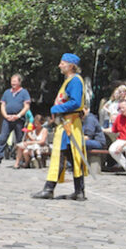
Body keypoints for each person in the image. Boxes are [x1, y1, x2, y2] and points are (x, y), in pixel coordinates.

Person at [32, 53, 88, 201]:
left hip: (69, 124)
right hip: (66, 123)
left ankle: (49, 189)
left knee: (59, 156)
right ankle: (79, 191)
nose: (60, 65)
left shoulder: (75, 81)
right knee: (72, 156)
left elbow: (76, 102)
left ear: (71, 65)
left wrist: (56, 109)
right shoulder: (69, 81)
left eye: (62, 63)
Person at [0, 74, 31, 166]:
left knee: (19, 140)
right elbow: (2, 105)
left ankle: (19, 160)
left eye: (15, 81)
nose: (13, 83)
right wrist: (5, 115)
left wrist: (18, 115)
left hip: (19, 119)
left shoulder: (24, 92)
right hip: (7, 118)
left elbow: (26, 107)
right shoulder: (6, 92)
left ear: (19, 82)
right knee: (2, 138)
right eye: (12, 81)